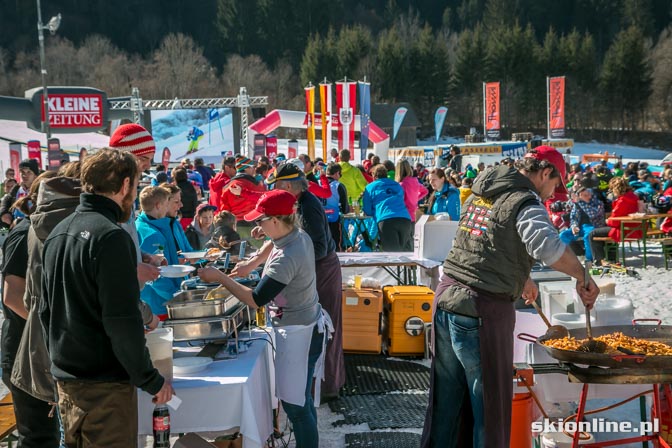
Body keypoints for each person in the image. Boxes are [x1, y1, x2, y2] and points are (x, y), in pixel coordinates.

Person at [420, 146, 599, 448]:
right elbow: (548, 247)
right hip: (480, 309)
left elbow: (486, 241)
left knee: (446, 407)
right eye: (555, 185)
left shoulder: (485, 189)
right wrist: (583, 276)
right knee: (489, 410)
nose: (551, 195)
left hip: (447, 298)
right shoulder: (526, 202)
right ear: (545, 173)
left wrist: (521, 274)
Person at [39, 149, 173, 447]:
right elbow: (121, 319)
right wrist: (150, 378)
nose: (135, 195)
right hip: (103, 389)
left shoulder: (59, 231)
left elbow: (45, 310)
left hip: (69, 383)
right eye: (136, 187)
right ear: (125, 185)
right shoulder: (111, 236)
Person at [198, 190, 329, 448]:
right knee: (301, 400)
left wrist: (221, 278)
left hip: (299, 333)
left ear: (277, 221)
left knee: (296, 407)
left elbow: (256, 299)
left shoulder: (289, 256)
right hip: (305, 325)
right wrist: (253, 261)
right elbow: (276, 242)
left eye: (261, 221)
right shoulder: (295, 234)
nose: (256, 225)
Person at [237, 163, 346, 399]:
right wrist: (269, 231)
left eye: (276, 186)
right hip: (314, 272)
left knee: (323, 333)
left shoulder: (307, 206)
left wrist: (295, 266)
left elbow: (315, 246)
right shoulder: (299, 203)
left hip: (323, 272)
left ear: (286, 185)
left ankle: (326, 387)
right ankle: (312, 385)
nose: (274, 190)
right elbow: (288, 236)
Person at [2, 170, 62, 448]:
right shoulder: (24, 231)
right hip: (22, 353)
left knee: (49, 436)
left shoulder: (47, 230)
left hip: (39, 349)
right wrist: (54, 327)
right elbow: (11, 295)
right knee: (39, 438)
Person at [109, 123, 164, 327]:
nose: (147, 167)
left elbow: (120, 241)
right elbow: (100, 253)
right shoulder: (108, 198)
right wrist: (133, 269)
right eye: (144, 159)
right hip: (116, 307)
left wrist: (141, 256)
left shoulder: (127, 197)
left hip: (130, 299)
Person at [136, 185, 184, 316]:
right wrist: (175, 296)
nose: (168, 207)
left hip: (154, 301)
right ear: (158, 205)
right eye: (166, 203)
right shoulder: (152, 234)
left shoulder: (145, 226)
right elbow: (156, 274)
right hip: (159, 304)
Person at [588, 177, 642, 265]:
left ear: (616, 189)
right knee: (603, 231)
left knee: (593, 234)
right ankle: (611, 258)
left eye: (612, 189)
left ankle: (599, 261)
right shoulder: (633, 197)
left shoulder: (622, 200)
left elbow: (615, 221)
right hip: (634, 228)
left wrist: (607, 221)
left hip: (624, 230)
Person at [363, 164, 413, 251]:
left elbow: (367, 210)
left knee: (392, 255)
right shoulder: (397, 185)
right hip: (405, 219)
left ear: (374, 176)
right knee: (406, 253)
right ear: (386, 174)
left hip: (386, 220)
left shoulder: (370, 187)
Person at [218, 155, 266, 244]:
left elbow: (224, 211)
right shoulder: (256, 185)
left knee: (240, 255)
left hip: (236, 227)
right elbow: (264, 201)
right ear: (246, 168)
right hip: (256, 226)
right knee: (259, 254)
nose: (254, 169)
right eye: (252, 167)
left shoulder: (227, 187)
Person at [558, 187, 605, 261]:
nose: (588, 196)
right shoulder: (577, 205)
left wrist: (579, 203)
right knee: (563, 235)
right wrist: (574, 226)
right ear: (580, 197)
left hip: (593, 226)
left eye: (588, 194)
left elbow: (592, 214)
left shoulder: (597, 203)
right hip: (580, 227)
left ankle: (589, 259)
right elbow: (573, 217)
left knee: (588, 236)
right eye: (585, 195)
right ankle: (575, 255)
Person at [0, 159, 39, 227]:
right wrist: (4, 213)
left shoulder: (40, 189)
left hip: (33, 228)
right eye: (22, 172)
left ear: (35, 175)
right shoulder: (17, 188)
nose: (24, 175)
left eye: (29, 172)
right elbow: (7, 199)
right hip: (16, 227)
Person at [159, 183, 194, 254]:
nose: (181, 205)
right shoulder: (151, 228)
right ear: (164, 203)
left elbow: (189, 252)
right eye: (176, 202)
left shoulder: (175, 224)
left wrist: (206, 257)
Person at [322, 163, 349, 251]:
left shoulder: (317, 183)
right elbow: (345, 207)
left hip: (320, 219)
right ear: (337, 173)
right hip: (334, 219)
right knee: (336, 245)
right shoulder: (338, 186)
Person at [396, 159, 428, 225]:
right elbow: (425, 191)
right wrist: (416, 198)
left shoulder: (401, 185)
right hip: (413, 215)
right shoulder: (415, 181)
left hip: (403, 215)